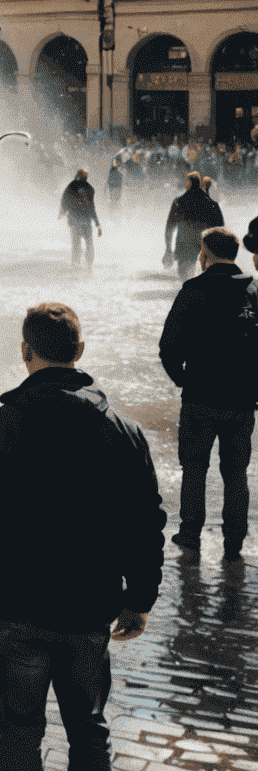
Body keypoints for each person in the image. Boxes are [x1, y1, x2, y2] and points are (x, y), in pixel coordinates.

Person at [0, 302, 164, 771]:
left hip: (18, 601)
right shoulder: (121, 429)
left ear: (25, 352)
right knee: (88, 721)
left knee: (20, 728)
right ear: (80, 353)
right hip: (90, 603)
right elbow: (147, 519)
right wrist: (140, 595)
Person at [159, 226, 257, 560]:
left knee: (194, 469)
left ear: (205, 253)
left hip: (200, 397)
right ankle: (234, 543)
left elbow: (168, 347)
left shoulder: (193, 289)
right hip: (242, 401)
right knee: (236, 474)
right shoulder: (254, 291)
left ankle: (190, 536)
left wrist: (183, 380)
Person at [165, 170, 224, 280]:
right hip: (205, 246)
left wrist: (168, 249)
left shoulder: (178, 202)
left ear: (187, 184)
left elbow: (169, 228)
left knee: (185, 279)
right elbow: (220, 229)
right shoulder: (211, 204)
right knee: (205, 280)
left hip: (184, 246)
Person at [59, 168, 101, 271]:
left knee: (76, 242)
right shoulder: (89, 188)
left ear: (77, 175)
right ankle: (89, 265)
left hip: (74, 219)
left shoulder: (71, 185)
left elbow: (64, 200)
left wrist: (61, 213)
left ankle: (75, 264)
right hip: (86, 220)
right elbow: (92, 207)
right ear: (86, 177)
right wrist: (97, 223)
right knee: (89, 242)